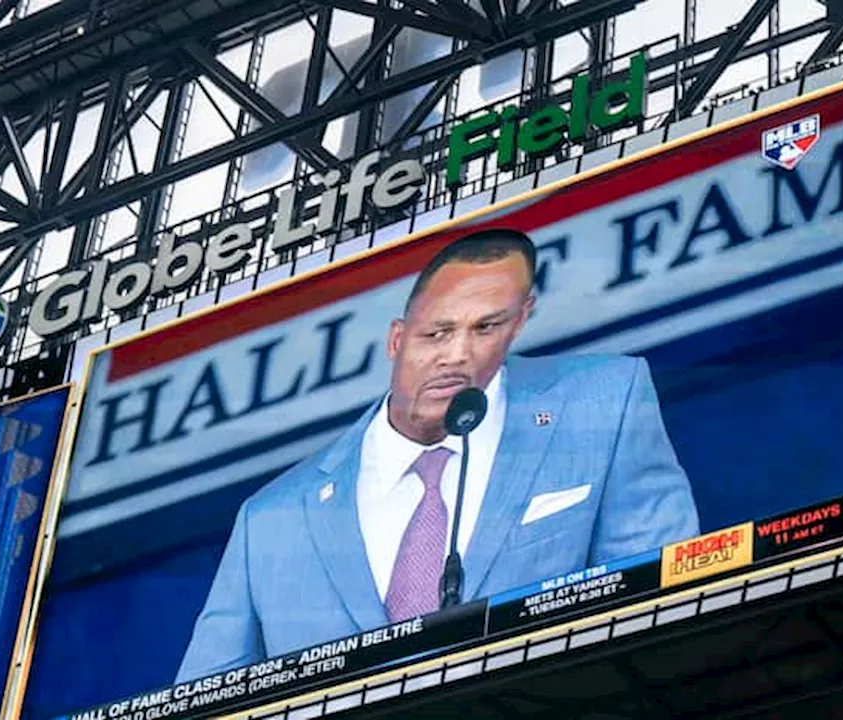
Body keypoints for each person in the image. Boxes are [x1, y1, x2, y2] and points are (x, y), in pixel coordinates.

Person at [175, 228, 699, 683]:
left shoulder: (603, 402)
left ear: (519, 323)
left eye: (486, 328)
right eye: (437, 333)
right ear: (397, 340)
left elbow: (663, 614)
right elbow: (207, 697)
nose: (456, 355)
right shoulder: (272, 519)